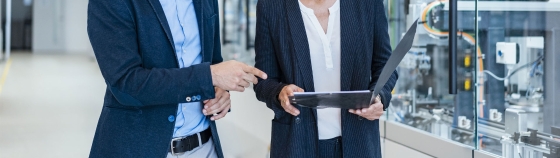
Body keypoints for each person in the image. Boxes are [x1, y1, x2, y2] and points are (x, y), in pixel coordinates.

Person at [87, 0, 267, 157]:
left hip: (204, 147)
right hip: (140, 148)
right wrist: (209, 76)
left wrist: (219, 92)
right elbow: (126, 83)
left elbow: (212, 62)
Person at [253, 0, 398, 157]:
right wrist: (279, 92)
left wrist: (379, 97)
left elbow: (386, 64)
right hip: (297, 143)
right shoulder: (271, 6)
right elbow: (263, 81)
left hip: (359, 142)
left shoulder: (368, 3)